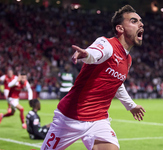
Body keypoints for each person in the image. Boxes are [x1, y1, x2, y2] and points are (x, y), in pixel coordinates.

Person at [41, 5, 145, 150]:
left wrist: (131, 106)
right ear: (120, 28)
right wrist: (87, 55)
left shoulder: (128, 60)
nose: (141, 24)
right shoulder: (107, 44)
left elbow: (117, 83)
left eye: (140, 21)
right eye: (134, 21)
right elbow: (96, 53)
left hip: (98, 120)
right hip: (70, 117)